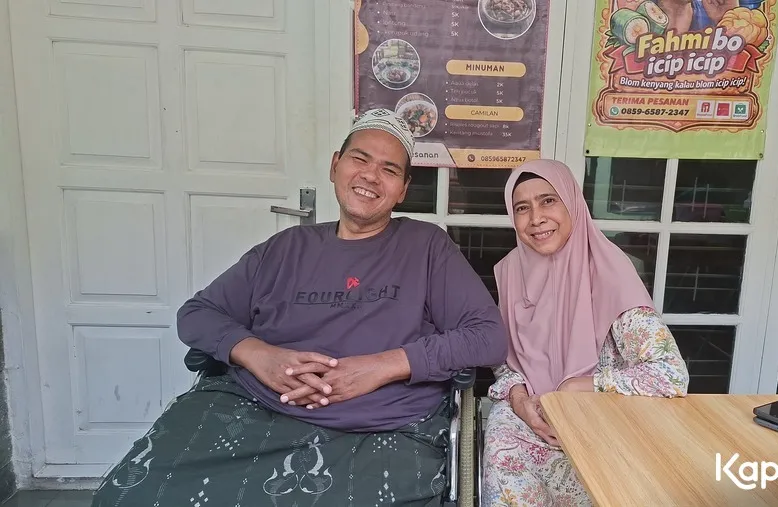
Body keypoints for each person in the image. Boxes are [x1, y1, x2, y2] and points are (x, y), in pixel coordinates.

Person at [91, 109, 508, 507]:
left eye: (389, 169)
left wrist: (382, 366)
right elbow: (197, 314)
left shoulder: (426, 247)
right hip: (256, 406)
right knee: (128, 496)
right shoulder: (285, 248)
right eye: (360, 159)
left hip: (382, 421)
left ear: (402, 189)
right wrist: (259, 355)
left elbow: (487, 337)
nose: (370, 175)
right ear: (335, 165)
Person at [481, 160, 689, 506]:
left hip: (600, 425)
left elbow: (670, 375)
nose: (536, 218)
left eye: (548, 201)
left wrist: (579, 386)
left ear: (572, 203)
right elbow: (505, 361)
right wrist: (519, 400)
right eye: (522, 208)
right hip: (532, 420)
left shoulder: (609, 271)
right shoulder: (511, 271)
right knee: (501, 439)